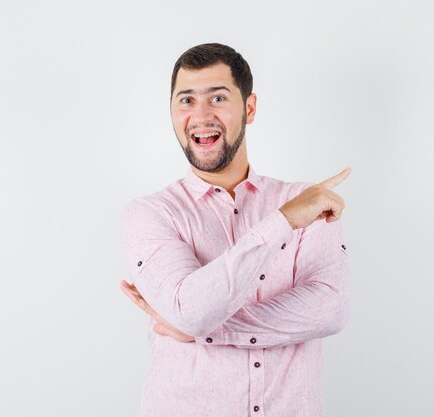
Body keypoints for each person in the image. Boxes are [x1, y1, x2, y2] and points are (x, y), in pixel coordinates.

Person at [120, 43, 351, 417]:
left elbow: (330, 309)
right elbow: (190, 311)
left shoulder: (305, 200)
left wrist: (207, 331)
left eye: (218, 98)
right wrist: (284, 221)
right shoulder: (151, 214)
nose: (201, 115)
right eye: (186, 100)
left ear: (250, 108)